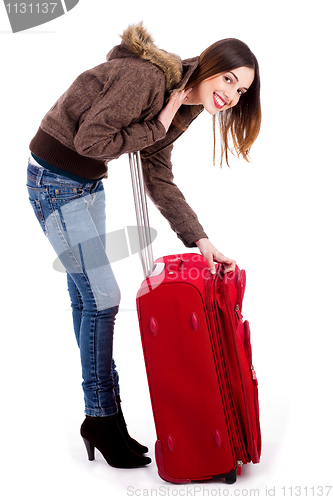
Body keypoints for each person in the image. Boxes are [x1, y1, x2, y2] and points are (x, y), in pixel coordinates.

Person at [26, 22, 261, 469]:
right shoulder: (151, 80)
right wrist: (156, 124)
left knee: (88, 298)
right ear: (210, 64)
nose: (232, 95)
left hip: (86, 186)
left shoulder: (184, 107)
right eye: (229, 78)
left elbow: (157, 175)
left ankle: (105, 421)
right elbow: (90, 140)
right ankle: (100, 415)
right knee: (104, 299)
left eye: (242, 91)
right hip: (54, 183)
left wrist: (200, 239)